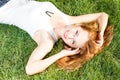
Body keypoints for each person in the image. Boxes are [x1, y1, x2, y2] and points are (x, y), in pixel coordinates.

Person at [0, 0, 113, 75]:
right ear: (79, 26)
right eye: (76, 33)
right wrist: (101, 33)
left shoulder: (47, 40)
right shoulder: (70, 20)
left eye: (73, 42)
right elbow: (102, 15)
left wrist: (62, 54)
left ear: (70, 46)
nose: (69, 36)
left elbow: (30, 69)